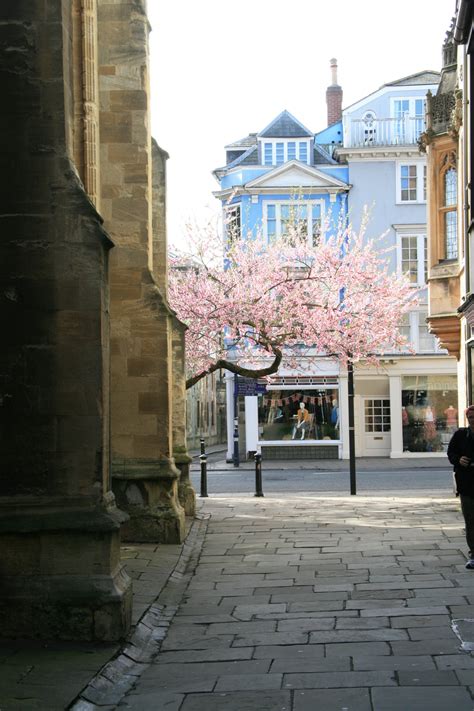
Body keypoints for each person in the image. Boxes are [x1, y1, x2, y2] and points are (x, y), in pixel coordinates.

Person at [447, 405, 474, 569]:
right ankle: (473, 554)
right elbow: (450, 453)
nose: (473, 420)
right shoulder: (460, 435)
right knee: (470, 521)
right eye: (470, 417)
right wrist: (458, 460)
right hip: (466, 484)